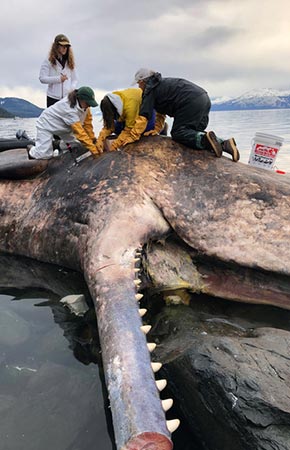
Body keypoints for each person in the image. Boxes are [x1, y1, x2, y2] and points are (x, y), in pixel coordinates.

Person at [116, 68, 239, 162]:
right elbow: (160, 111)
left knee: (179, 133)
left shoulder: (150, 90)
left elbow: (144, 116)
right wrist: (156, 129)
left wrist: (133, 137)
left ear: (143, 81)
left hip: (189, 102)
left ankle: (209, 140)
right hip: (203, 98)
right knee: (192, 133)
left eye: (138, 83)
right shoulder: (160, 84)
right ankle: (225, 144)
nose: (139, 86)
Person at [27, 86, 99, 160]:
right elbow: (79, 132)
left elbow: (87, 125)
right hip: (46, 124)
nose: (89, 105)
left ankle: (57, 145)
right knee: (44, 155)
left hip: (65, 128)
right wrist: (93, 149)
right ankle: (31, 149)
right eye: (88, 103)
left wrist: (93, 140)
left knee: (77, 145)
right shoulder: (69, 108)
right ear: (80, 99)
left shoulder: (86, 107)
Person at [95, 88, 156, 152]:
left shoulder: (130, 107)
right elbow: (109, 124)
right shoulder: (109, 102)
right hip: (126, 116)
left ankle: (160, 128)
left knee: (142, 132)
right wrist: (100, 139)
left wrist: (115, 145)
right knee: (118, 128)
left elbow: (129, 129)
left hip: (144, 114)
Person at [39, 34, 78, 108]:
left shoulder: (70, 62)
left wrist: (71, 90)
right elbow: (42, 78)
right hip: (52, 98)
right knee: (53, 120)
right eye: (62, 46)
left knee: (66, 119)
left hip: (67, 99)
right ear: (56, 46)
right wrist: (58, 79)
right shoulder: (48, 61)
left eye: (66, 46)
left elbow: (75, 79)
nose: (65, 48)